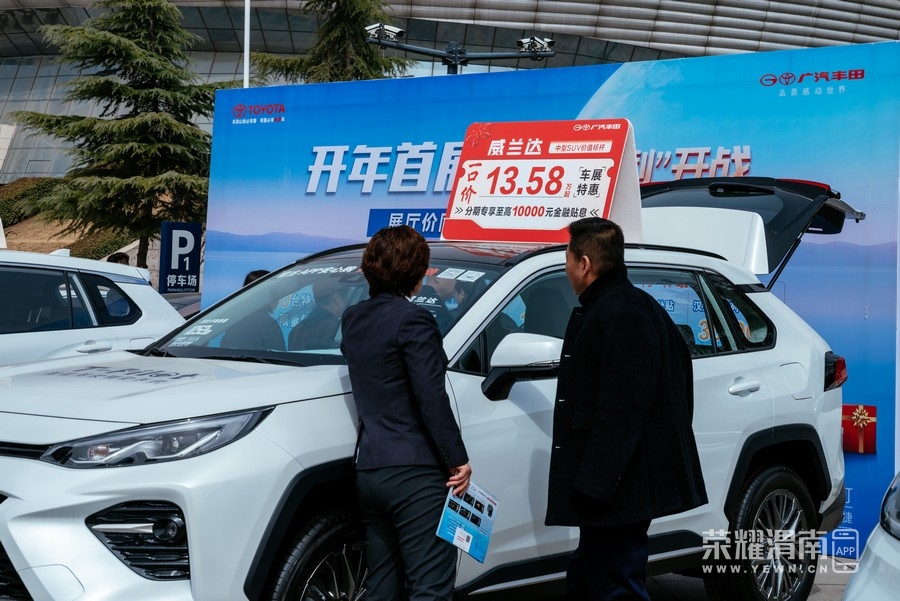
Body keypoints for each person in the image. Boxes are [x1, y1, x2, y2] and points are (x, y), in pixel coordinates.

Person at [546, 217, 707, 601]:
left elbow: (622, 409)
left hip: (617, 490)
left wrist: (595, 485)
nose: (566, 268)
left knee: (615, 586)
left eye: (567, 259)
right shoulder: (619, 306)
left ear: (585, 263)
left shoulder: (623, 312)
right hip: (613, 487)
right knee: (587, 579)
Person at [340, 225, 471, 601]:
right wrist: (457, 458)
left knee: (383, 584)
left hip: (370, 468)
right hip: (415, 471)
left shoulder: (353, 318)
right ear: (416, 272)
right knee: (430, 586)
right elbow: (431, 397)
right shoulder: (414, 319)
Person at [220, 269, 283, 350]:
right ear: (264, 294)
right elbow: (279, 354)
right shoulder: (267, 323)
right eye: (274, 291)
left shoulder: (234, 323)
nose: (279, 296)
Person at [287, 279, 349, 350]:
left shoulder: (297, 329)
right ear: (336, 298)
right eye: (347, 297)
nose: (348, 304)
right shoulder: (337, 329)